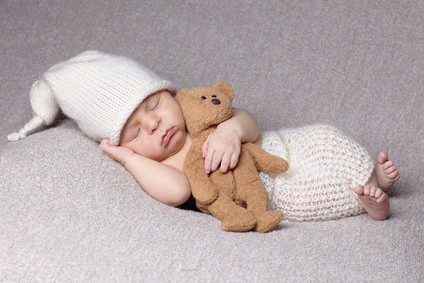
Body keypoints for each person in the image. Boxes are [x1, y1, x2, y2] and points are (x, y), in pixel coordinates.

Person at [8, 50, 400, 222]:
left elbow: (250, 122)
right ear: (121, 143)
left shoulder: (196, 108)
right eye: (134, 132)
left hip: (281, 145)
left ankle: (370, 175)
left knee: (325, 135)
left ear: (169, 92)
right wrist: (130, 160)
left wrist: (230, 129)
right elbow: (178, 192)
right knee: (308, 196)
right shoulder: (163, 164)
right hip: (266, 192)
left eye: (154, 106)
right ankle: (365, 200)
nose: (155, 126)